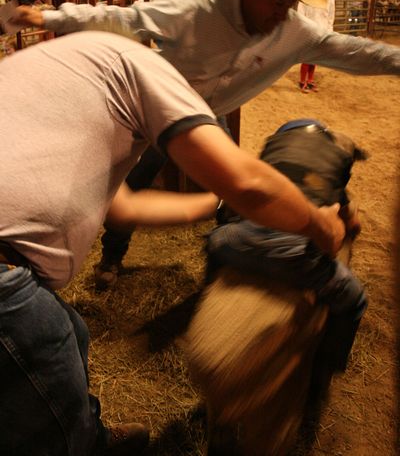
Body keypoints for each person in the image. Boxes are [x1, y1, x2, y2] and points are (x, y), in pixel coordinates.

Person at [0, 30, 344, 456]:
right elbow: (249, 182)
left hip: (14, 264)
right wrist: (318, 223)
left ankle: (94, 433)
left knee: (72, 331)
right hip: (4, 280)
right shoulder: (147, 70)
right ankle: (77, 438)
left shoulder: (64, 70)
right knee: (46, 403)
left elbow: (124, 208)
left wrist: (216, 204)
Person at [9, 0, 400, 290]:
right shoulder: (197, 8)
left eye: (291, 4)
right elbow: (126, 18)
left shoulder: (296, 32)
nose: (285, 12)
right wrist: (53, 18)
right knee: (126, 184)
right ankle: (112, 257)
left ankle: (225, 265)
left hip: (210, 118)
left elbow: (355, 51)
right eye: (278, 1)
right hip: (155, 113)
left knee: (235, 192)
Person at [206, 119, 367, 375]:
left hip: (239, 243)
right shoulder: (333, 162)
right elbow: (351, 223)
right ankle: (330, 365)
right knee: (355, 300)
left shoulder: (270, 154)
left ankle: (209, 286)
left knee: (214, 242)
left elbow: (229, 209)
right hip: (295, 258)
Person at [297, 0, 335, 93]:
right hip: (309, 31)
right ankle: (302, 81)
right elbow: (301, 14)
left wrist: (329, 31)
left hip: (322, 31)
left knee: (315, 58)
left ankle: (310, 80)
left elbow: (331, 17)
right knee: (307, 57)